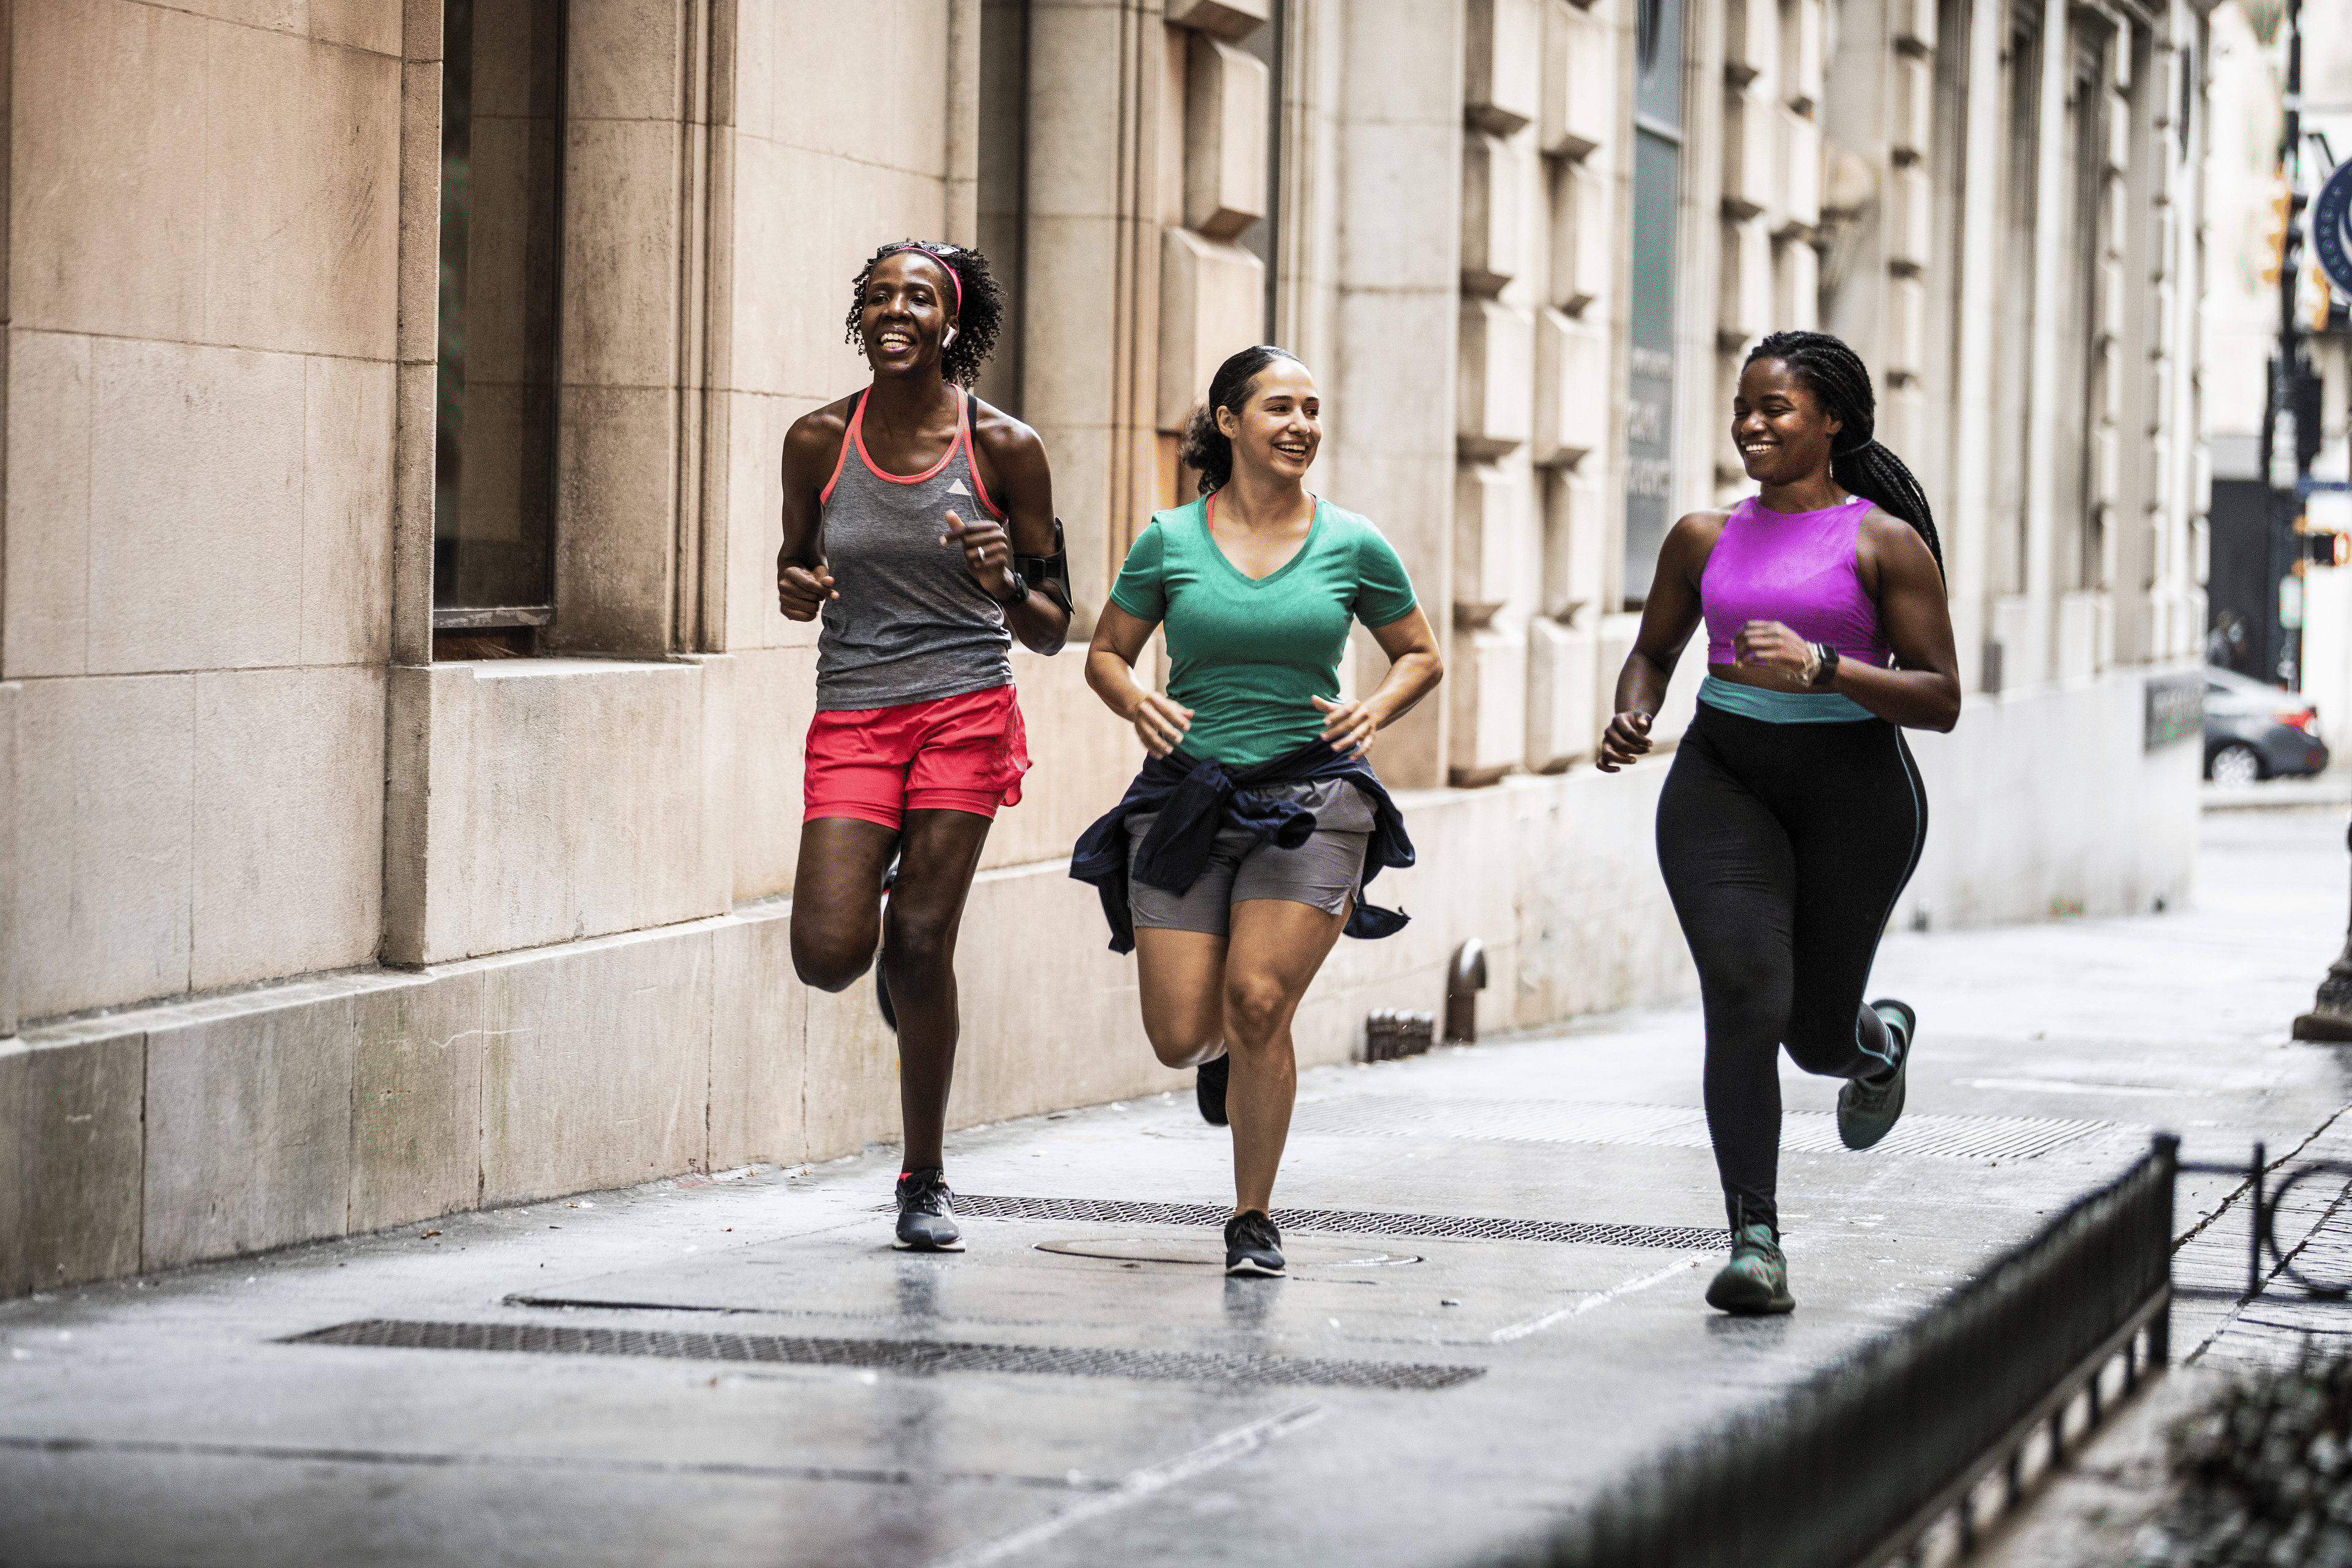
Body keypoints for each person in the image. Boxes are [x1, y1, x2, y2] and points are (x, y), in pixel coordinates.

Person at [1596, 330, 1960, 1316]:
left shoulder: (1885, 542)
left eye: (1776, 409)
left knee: (1814, 1036)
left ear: (1832, 419)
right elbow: (1653, 651)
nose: (1751, 425)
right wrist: (1634, 711)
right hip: (1724, 780)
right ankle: (1754, 1239)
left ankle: (1874, 1042)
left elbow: (1940, 698)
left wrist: (1827, 667)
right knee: (1746, 996)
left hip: (1857, 794)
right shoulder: (1702, 537)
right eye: (1743, 408)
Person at [1071, 345, 1444, 1278]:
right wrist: (1133, 701)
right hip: (1190, 799)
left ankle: (1252, 1218)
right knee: (1179, 1032)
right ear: (1229, 422)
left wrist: (1377, 707)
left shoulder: (1353, 543)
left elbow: (1420, 654)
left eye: (1313, 410)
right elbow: (1106, 652)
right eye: (1281, 407)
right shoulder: (1169, 540)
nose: (1302, 426)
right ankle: (1221, 1057)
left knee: (1259, 1000)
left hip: (1315, 797)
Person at [777, 240, 1072, 1253]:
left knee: (917, 946)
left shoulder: (1006, 449)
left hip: (963, 710)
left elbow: (1051, 624)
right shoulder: (818, 441)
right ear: (858, 318)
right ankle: (897, 920)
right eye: (876, 297)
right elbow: (794, 564)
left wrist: (1002, 579)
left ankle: (924, 1176)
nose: (893, 311)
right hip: (856, 709)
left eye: (916, 298)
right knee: (827, 955)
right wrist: (795, 588)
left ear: (951, 323)